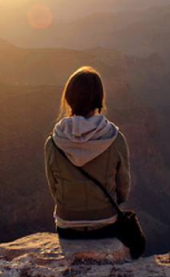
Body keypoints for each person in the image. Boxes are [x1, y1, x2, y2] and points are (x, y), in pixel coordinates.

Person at [44, 66, 130, 239]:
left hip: (67, 225)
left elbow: (53, 186)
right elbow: (123, 186)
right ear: (99, 98)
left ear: (69, 98)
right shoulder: (115, 138)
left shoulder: (53, 142)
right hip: (105, 222)